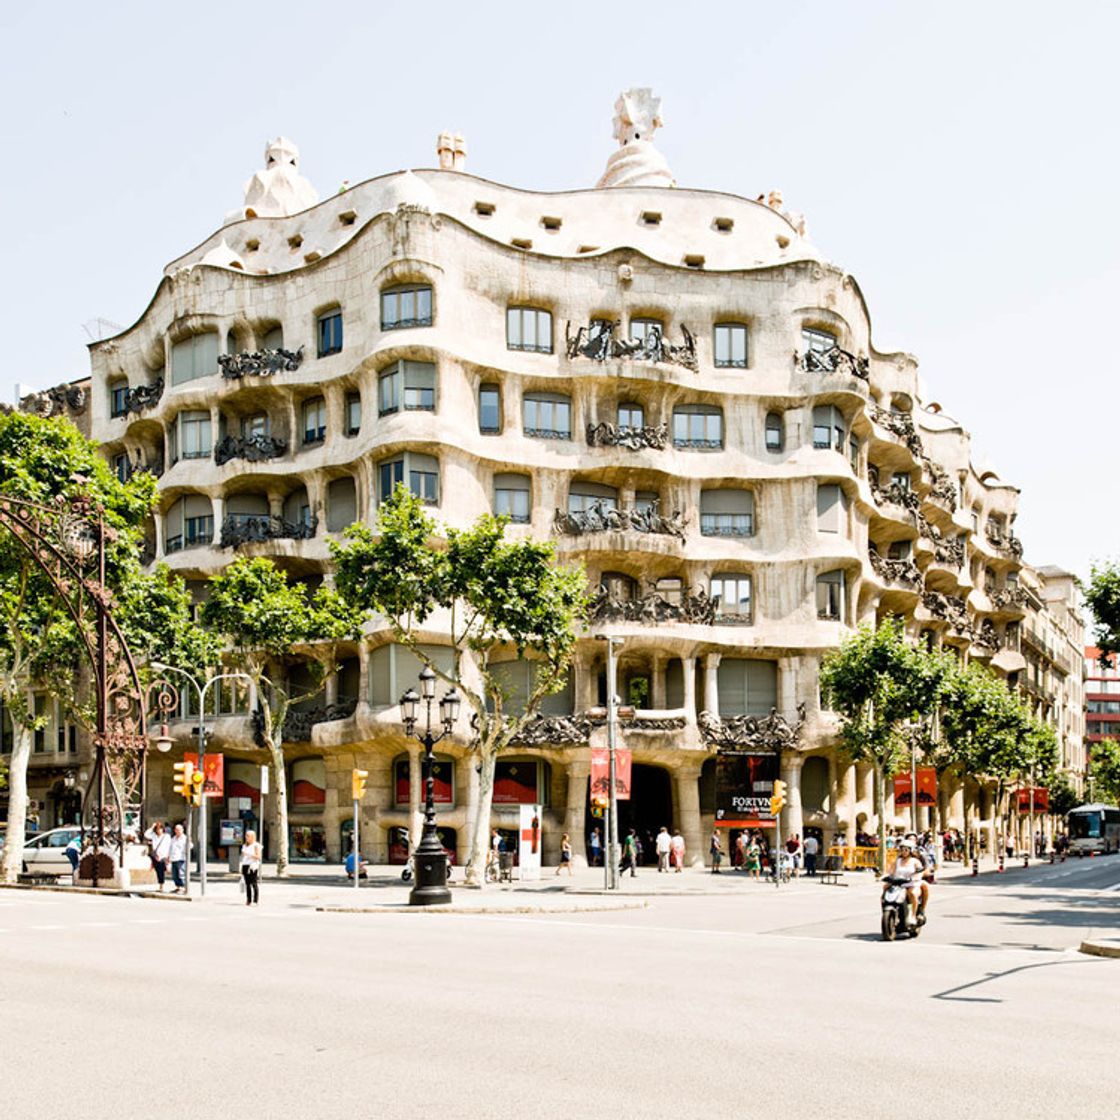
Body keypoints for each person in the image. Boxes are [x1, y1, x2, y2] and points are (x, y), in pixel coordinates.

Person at [883, 838, 924, 925]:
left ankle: (913, 916)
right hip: (898, 883)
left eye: (906, 849)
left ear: (911, 850)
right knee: (885, 887)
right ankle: (885, 908)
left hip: (911, 883)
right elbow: (891, 871)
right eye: (902, 849)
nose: (904, 851)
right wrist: (884, 876)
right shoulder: (897, 861)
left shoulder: (915, 861)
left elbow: (920, 871)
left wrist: (916, 877)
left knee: (912, 893)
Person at [144, 820, 170, 891]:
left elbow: (168, 846)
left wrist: (166, 856)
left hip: (163, 856)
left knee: (161, 871)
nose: (159, 831)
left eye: (160, 829)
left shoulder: (166, 836)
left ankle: (161, 886)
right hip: (155, 855)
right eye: (157, 829)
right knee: (158, 871)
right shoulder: (154, 836)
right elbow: (146, 834)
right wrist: (152, 827)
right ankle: (160, 884)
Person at [240, 829, 262, 905]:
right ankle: (248, 900)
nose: (246, 837)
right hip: (245, 865)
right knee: (247, 883)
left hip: (252, 865)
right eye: (246, 835)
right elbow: (243, 856)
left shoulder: (256, 845)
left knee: (253, 883)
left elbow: (258, 857)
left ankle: (255, 900)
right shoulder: (244, 845)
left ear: (252, 837)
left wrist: (249, 854)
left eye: (248, 836)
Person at [168, 823, 189, 893]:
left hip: (181, 858)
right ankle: (178, 887)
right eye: (176, 829)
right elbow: (170, 848)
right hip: (174, 858)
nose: (177, 831)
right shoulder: (173, 838)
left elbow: (190, 846)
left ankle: (184, 888)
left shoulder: (185, 838)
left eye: (179, 829)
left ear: (182, 830)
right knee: (175, 874)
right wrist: (169, 857)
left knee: (181, 874)